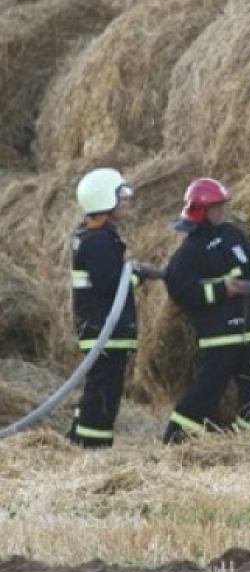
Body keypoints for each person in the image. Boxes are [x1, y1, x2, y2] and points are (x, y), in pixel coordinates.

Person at [161, 177, 250, 444]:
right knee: (207, 391)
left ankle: (247, 441)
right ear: (200, 212)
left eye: (222, 206)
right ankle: (176, 441)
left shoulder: (230, 234)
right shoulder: (188, 253)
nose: (221, 211)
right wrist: (221, 290)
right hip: (220, 337)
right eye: (216, 207)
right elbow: (181, 290)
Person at [68, 168, 164, 448]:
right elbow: (109, 283)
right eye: (120, 196)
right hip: (104, 329)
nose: (126, 201)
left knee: (98, 386)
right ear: (103, 200)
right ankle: (93, 445)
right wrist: (137, 276)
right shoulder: (99, 241)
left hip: (100, 327)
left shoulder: (93, 235)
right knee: (105, 389)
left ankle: (80, 438)